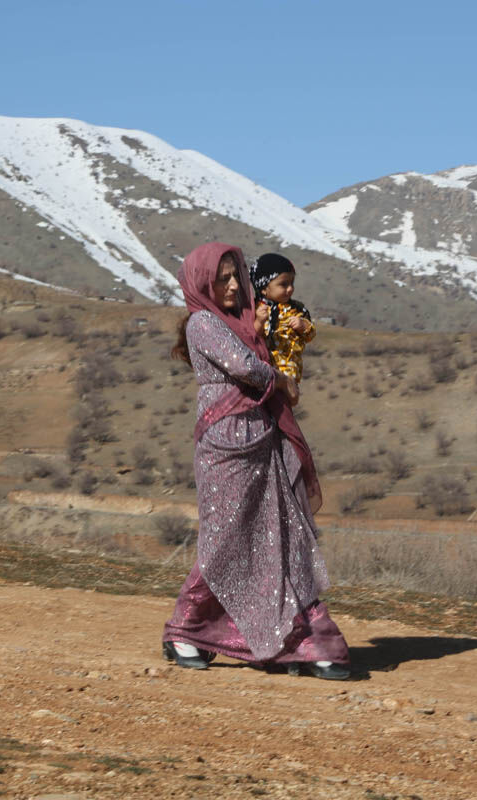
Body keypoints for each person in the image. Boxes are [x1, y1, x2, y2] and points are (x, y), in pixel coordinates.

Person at [161, 242, 350, 680]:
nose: (232, 285)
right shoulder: (203, 323)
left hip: (263, 440)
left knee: (278, 538)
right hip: (225, 449)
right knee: (226, 541)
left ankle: (298, 637)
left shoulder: (244, 321)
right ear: (202, 283)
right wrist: (280, 379)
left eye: (236, 276)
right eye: (222, 278)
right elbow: (245, 366)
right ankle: (186, 629)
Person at [250, 252, 315, 383]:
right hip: (262, 374)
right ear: (264, 288)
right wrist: (259, 321)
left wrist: (303, 325)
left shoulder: (296, 310)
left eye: (292, 283)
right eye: (283, 284)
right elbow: (250, 338)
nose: (290, 289)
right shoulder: (253, 309)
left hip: (289, 375)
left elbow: (310, 335)